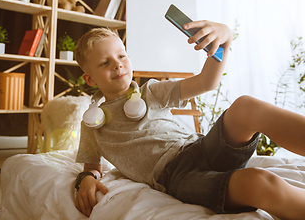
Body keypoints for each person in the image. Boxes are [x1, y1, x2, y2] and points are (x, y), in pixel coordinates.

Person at [73, 21, 305, 219]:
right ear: (89, 78)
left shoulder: (151, 92)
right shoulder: (94, 124)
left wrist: (224, 40)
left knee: (246, 106)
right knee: (257, 181)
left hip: (202, 147)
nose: (117, 63)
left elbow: (206, 82)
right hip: (177, 176)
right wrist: (86, 179)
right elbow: (92, 166)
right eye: (105, 62)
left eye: (121, 55)